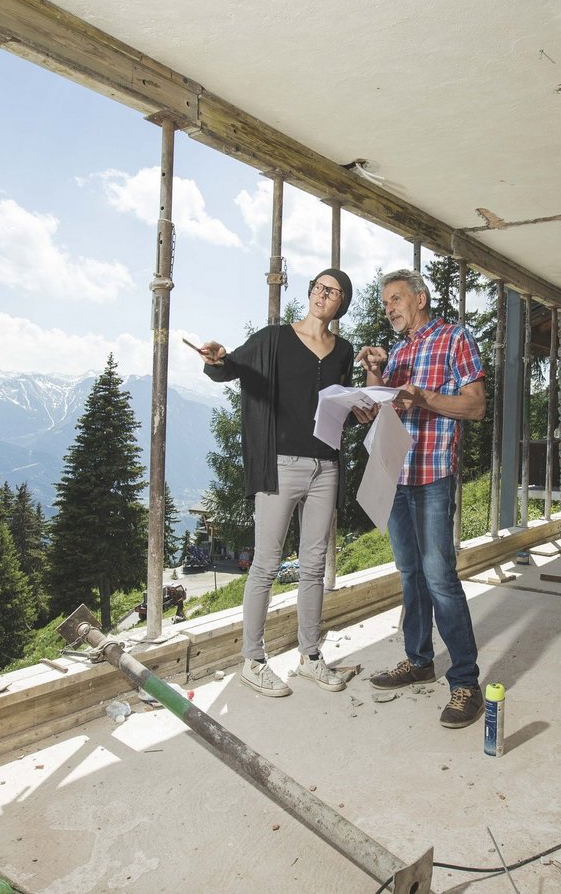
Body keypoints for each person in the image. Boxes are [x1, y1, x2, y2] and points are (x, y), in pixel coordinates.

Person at [200, 269, 355, 697]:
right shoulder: (274, 338)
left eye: (335, 293)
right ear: (309, 293)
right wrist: (215, 358)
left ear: (342, 303)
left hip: (327, 467)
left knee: (314, 565)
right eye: (320, 288)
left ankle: (310, 656)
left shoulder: (343, 350)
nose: (325, 296)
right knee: (266, 564)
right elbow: (230, 368)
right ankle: (252, 659)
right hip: (281, 465)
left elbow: (337, 404)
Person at [355, 269, 487, 728]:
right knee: (409, 573)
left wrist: (425, 398)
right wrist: (374, 374)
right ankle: (418, 659)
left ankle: (466, 682)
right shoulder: (399, 352)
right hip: (394, 472)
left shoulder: (453, 339)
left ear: (421, 297)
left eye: (395, 298)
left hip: (432, 474)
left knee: (439, 576)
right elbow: (379, 409)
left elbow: (475, 405)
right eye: (385, 301)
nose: (388, 307)